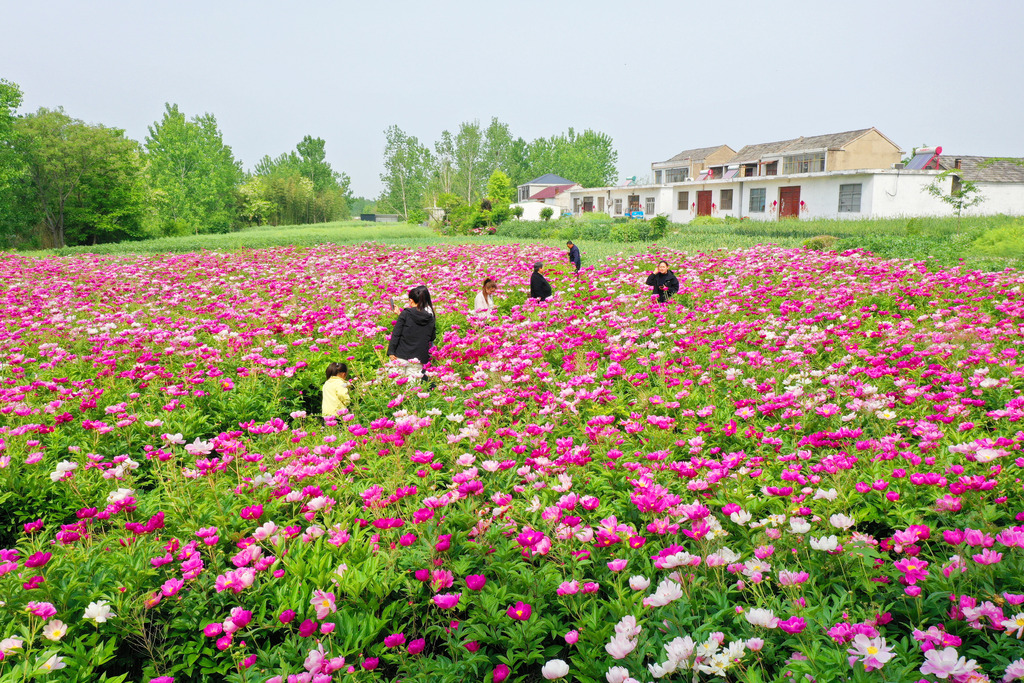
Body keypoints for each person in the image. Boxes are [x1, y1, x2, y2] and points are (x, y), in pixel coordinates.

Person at [387, 285, 436, 379]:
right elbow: (432, 337)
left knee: (396, 386)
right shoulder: (429, 317)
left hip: (400, 355)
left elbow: (396, 334)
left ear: (412, 300)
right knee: (413, 388)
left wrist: (391, 352)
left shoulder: (406, 313)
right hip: (418, 358)